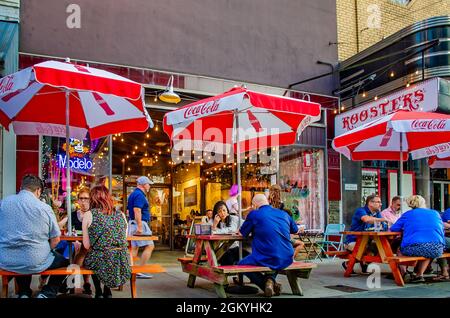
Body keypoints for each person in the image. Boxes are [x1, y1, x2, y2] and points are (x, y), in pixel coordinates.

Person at [0, 175, 68, 298]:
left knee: (22, 257)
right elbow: (56, 239)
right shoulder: (44, 208)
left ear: (21, 188)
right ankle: (47, 293)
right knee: (64, 262)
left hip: (6, 260)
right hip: (34, 260)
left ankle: (24, 293)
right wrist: (47, 250)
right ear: (38, 190)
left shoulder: (4, 203)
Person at [238, 194, 299, 297]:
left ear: (255, 205)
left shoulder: (254, 214)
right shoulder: (283, 214)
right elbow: (295, 230)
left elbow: (242, 233)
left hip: (266, 256)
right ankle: (270, 281)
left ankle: (266, 283)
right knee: (276, 260)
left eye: (253, 206)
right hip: (287, 256)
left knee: (240, 265)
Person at [82, 185, 131, 298]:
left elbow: (86, 245)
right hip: (121, 260)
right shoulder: (121, 215)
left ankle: (98, 291)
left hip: (100, 259)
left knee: (93, 257)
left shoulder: (89, 214)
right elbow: (124, 238)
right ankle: (107, 290)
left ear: (93, 198)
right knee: (106, 257)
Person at [390, 195, 445, 283]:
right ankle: (419, 275)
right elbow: (441, 227)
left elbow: (393, 228)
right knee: (428, 250)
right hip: (437, 249)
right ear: (424, 203)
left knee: (399, 249)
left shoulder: (407, 214)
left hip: (414, 247)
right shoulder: (435, 213)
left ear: (410, 204)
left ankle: (404, 273)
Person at [342, 194, 387, 273]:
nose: (381, 204)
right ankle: (348, 264)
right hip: (353, 241)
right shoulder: (361, 211)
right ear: (370, 203)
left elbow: (383, 226)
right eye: (378, 202)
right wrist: (382, 219)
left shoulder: (377, 213)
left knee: (381, 248)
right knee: (363, 249)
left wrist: (384, 224)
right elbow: (366, 219)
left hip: (367, 240)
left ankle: (365, 263)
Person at [127, 176, 155, 279]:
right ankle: (140, 270)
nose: (149, 186)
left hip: (133, 223)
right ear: (143, 185)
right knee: (150, 246)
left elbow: (128, 211)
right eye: (148, 184)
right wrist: (139, 226)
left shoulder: (133, 194)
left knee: (134, 248)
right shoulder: (140, 195)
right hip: (140, 223)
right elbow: (137, 210)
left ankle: (131, 270)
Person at [268, 184, 304, 260]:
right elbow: (293, 229)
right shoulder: (282, 206)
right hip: (283, 239)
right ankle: (291, 259)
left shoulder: (266, 205)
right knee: (300, 243)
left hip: (269, 239)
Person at [211, 201, 246, 266]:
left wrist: (240, 230)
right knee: (229, 258)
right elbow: (211, 233)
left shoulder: (234, 219)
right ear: (216, 213)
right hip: (221, 251)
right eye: (219, 211)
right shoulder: (213, 221)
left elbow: (246, 224)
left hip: (235, 248)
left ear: (227, 210)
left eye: (224, 210)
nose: (222, 213)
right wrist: (215, 225)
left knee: (249, 257)